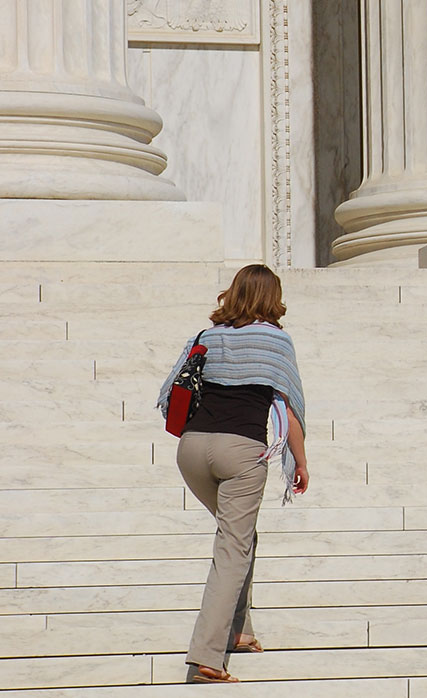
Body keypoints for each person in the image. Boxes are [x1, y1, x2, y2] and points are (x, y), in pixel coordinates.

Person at [157, 264, 310, 684]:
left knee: (239, 538)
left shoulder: (205, 337)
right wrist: (299, 459)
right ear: (271, 297)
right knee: (233, 547)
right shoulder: (275, 341)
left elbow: (173, 390)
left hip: (191, 449)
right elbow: (290, 409)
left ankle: (239, 631)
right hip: (240, 451)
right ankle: (206, 657)